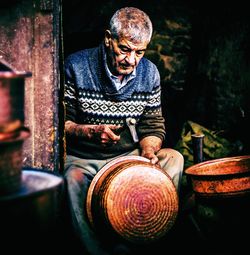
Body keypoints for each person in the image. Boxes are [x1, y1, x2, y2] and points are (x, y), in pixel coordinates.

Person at [63, 6, 184, 255]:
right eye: (125, 49)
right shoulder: (75, 66)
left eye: (140, 52)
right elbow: (61, 124)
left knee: (173, 159)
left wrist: (149, 152)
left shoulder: (149, 73)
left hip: (128, 157)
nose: (131, 60)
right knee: (70, 180)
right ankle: (96, 251)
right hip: (85, 158)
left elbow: (152, 124)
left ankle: (137, 240)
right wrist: (90, 132)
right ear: (109, 39)